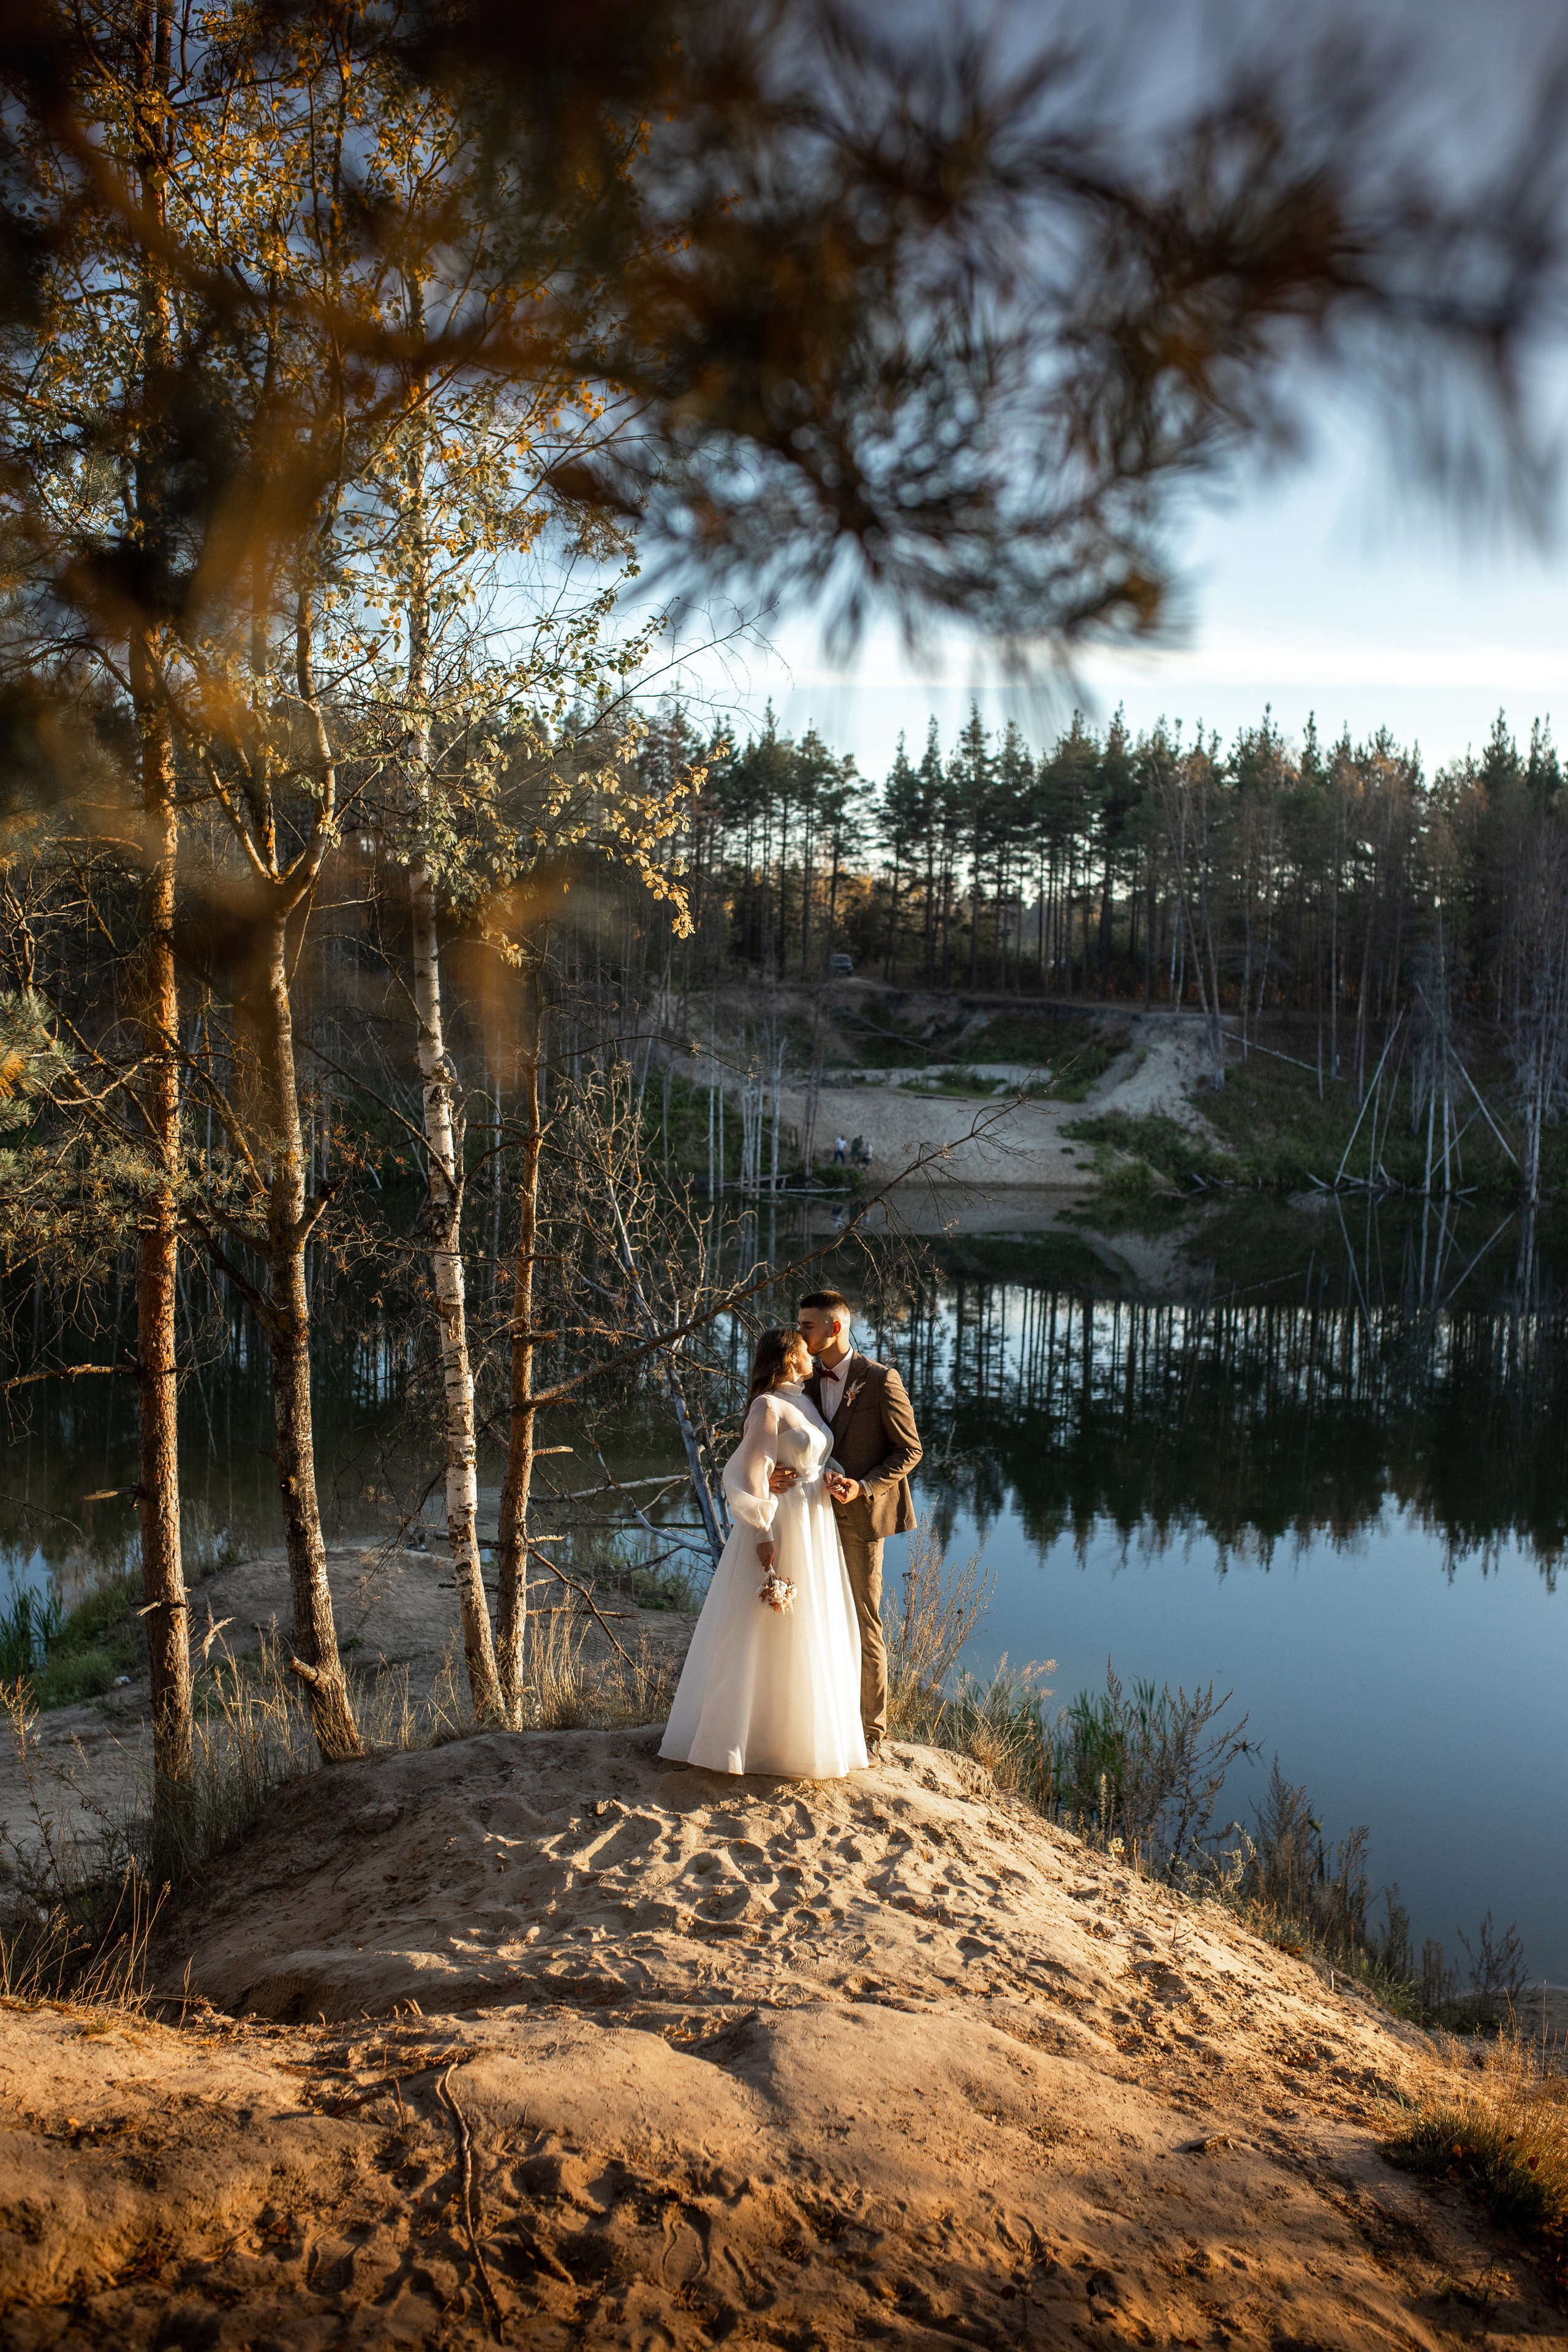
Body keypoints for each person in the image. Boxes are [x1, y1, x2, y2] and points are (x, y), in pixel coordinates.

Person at [660, 1328, 867, 1779]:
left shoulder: (806, 1400)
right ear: (789, 1356)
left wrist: (830, 1475)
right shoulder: (767, 1405)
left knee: (809, 1623)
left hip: (815, 1520)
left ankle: (798, 1738)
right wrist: (763, 1530)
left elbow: (812, 1454)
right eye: (803, 1346)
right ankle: (741, 1740)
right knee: (763, 1622)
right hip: (784, 1519)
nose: (812, 1351)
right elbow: (750, 1473)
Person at [796, 1289, 921, 1763]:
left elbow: (910, 1450)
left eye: (808, 1325)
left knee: (865, 1620)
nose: (800, 1332)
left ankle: (871, 1729)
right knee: (812, 1616)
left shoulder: (881, 1381)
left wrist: (863, 1487)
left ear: (835, 1328)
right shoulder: (800, 1378)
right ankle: (818, 1714)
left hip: (859, 1519)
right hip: (806, 1515)